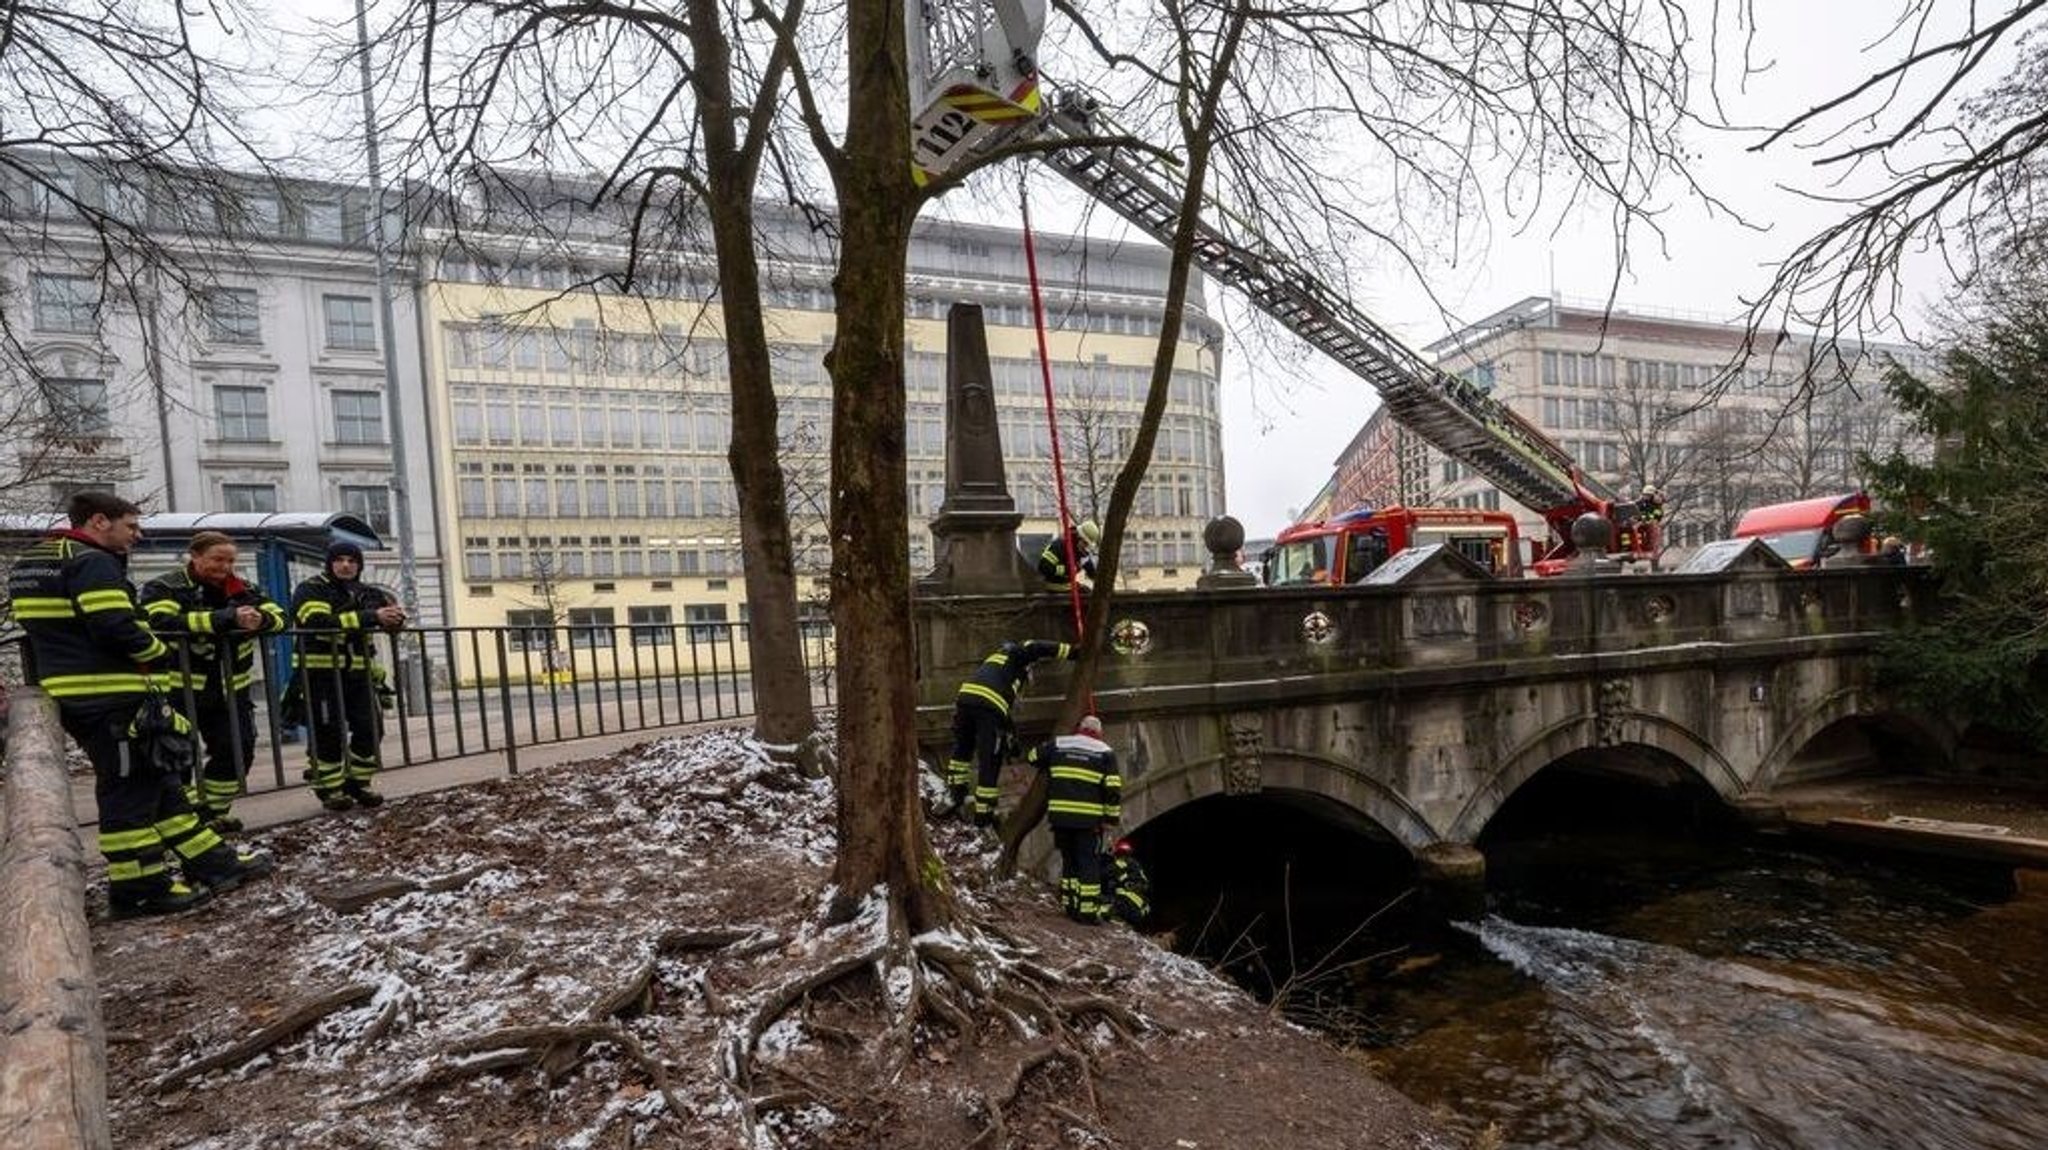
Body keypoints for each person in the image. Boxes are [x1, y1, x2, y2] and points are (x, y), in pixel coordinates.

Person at [6, 492, 270, 917]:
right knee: (128, 791)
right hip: (110, 694)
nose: (137, 534)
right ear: (98, 521)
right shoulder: (92, 561)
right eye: (130, 526)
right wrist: (157, 653)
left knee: (159, 782)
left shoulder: (35, 561)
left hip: (80, 690)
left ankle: (214, 863)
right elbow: (115, 625)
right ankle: (140, 887)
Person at [140, 532, 288, 832]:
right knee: (177, 758)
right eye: (218, 559)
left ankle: (209, 813)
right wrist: (224, 619)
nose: (225, 566)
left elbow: (282, 617)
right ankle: (181, 822)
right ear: (194, 556)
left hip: (230, 690)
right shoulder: (165, 587)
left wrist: (259, 620)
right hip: (179, 690)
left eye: (231, 560)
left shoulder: (242, 588)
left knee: (238, 751)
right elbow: (160, 623)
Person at [292, 540, 407, 812]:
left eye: (352, 561)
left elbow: (387, 621)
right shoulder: (311, 589)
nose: (346, 565)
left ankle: (358, 783)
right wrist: (370, 616)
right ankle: (329, 789)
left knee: (371, 728)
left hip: (358, 673)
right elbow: (316, 622)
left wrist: (395, 620)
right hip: (320, 674)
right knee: (327, 733)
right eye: (340, 560)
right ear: (329, 563)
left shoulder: (369, 592)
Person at [944, 637, 1077, 825]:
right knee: (990, 757)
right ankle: (984, 813)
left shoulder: (995, 663)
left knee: (963, 746)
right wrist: (1072, 652)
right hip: (988, 706)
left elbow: (1003, 715)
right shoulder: (1016, 654)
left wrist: (1011, 735)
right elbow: (1034, 646)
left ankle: (956, 791)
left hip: (966, 700)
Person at [1025, 714, 1122, 924]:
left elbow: (1032, 757)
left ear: (1079, 728)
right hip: (1089, 821)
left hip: (1060, 818)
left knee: (1069, 860)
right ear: (1099, 733)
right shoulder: (1105, 752)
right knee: (1088, 863)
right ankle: (1086, 911)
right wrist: (1111, 820)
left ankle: (1070, 905)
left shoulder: (1059, 744)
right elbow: (1113, 789)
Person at [1037, 519, 1100, 593]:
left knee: (1089, 593)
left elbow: (1090, 570)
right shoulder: (1059, 546)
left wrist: (1099, 581)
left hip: (1069, 585)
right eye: (1085, 543)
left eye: (1087, 545)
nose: (1085, 547)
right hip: (1054, 587)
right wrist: (1067, 569)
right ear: (1078, 537)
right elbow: (1044, 567)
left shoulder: (1081, 552)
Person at [1101, 837, 1152, 928]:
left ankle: (1118, 919)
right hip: (1139, 908)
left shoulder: (1122, 863)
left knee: (1101, 909)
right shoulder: (1134, 865)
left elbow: (1103, 872)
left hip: (1131, 905)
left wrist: (1106, 855)